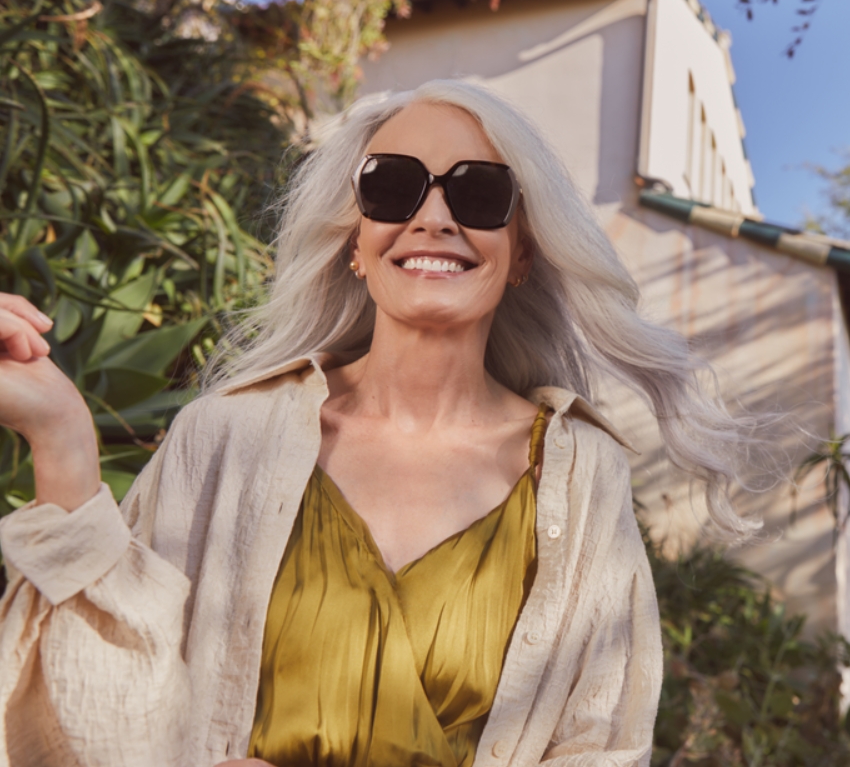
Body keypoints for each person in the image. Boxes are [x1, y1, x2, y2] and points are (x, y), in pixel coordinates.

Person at [0, 80, 757, 767]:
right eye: (391, 187)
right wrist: (62, 438)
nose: (432, 219)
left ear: (522, 250)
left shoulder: (581, 475)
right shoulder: (223, 437)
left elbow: (601, 746)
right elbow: (101, 711)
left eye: (479, 194)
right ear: (355, 243)